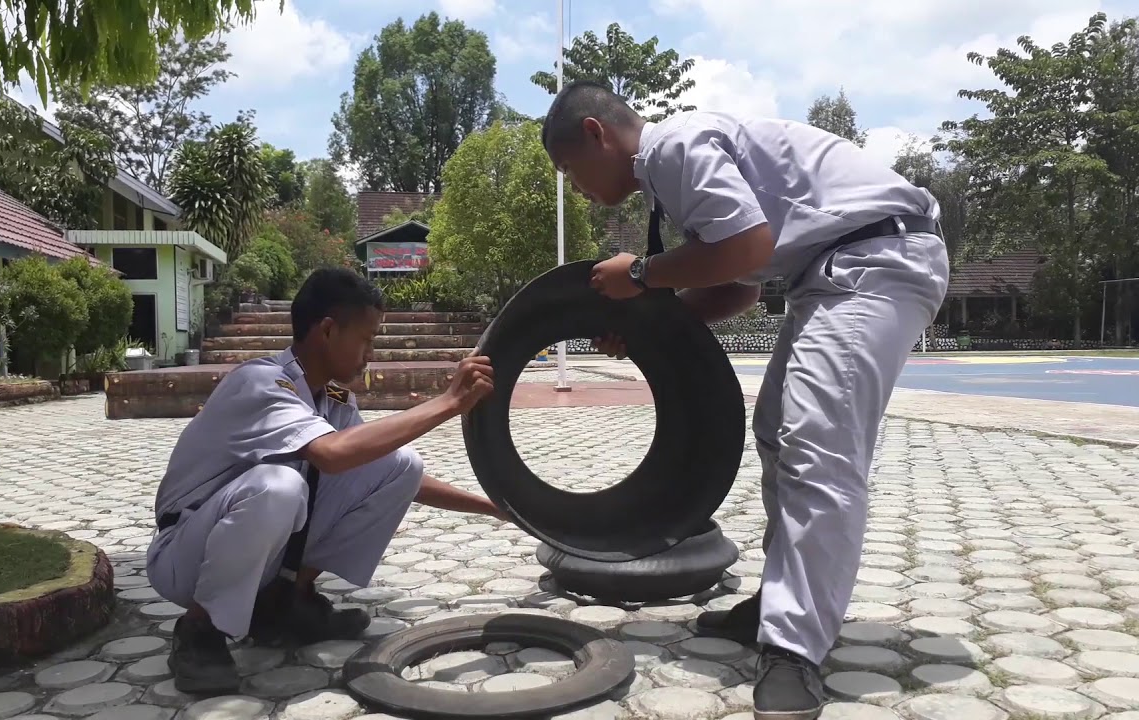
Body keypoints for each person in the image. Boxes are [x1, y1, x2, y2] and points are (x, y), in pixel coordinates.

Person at [540, 81, 949, 720]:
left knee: (818, 446)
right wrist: (649, 325)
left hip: (876, 259)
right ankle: (782, 602)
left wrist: (643, 275)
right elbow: (738, 291)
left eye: (570, 170)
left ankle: (795, 651)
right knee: (777, 430)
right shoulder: (672, 178)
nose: (577, 188)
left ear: (597, 134)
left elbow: (749, 249)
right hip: (831, 273)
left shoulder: (673, 147)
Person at [146, 266, 506, 696]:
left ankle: (284, 603)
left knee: (401, 465)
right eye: (367, 339)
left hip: (254, 558)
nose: (370, 353)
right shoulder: (260, 383)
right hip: (184, 557)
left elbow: (384, 470)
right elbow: (333, 456)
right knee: (278, 486)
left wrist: (496, 507)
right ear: (329, 331)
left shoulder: (332, 399)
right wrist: (449, 403)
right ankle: (199, 631)